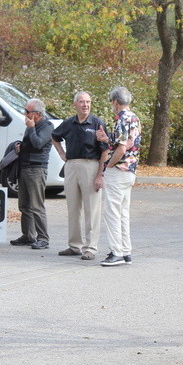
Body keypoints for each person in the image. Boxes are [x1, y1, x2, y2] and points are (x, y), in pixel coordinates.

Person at [50, 91, 108, 260]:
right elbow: (54, 137)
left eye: (88, 102)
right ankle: (74, 245)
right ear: (75, 104)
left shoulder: (97, 123)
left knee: (92, 209)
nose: (85, 105)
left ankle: (90, 248)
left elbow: (104, 151)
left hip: (91, 165)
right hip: (71, 166)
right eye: (82, 102)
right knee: (73, 208)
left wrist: (100, 175)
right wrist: (61, 153)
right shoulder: (68, 123)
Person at [96, 86, 141, 267]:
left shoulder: (121, 118)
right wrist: (107, 139)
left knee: (112, 212)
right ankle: (125, 250)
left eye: (111, 102)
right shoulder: (134, 118)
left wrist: (109, 166)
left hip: (119, 170)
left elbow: (121, 147)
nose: (112, 106)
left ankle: (117, 252)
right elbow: (125, 143)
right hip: (130, 170)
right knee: (123, 212)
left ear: (115, 101)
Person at [10, 99, 55, 250]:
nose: (25, 114)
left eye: (27, 112)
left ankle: (43, 238)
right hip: (25, 167)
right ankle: (28, 235)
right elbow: (30, 144)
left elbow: (38, 143)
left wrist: (30, 128)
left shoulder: (47, 126)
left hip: (36, 169)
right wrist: (19, 146)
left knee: (37, 205)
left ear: (37, 114)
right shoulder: (33, 125)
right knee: (24, 205)